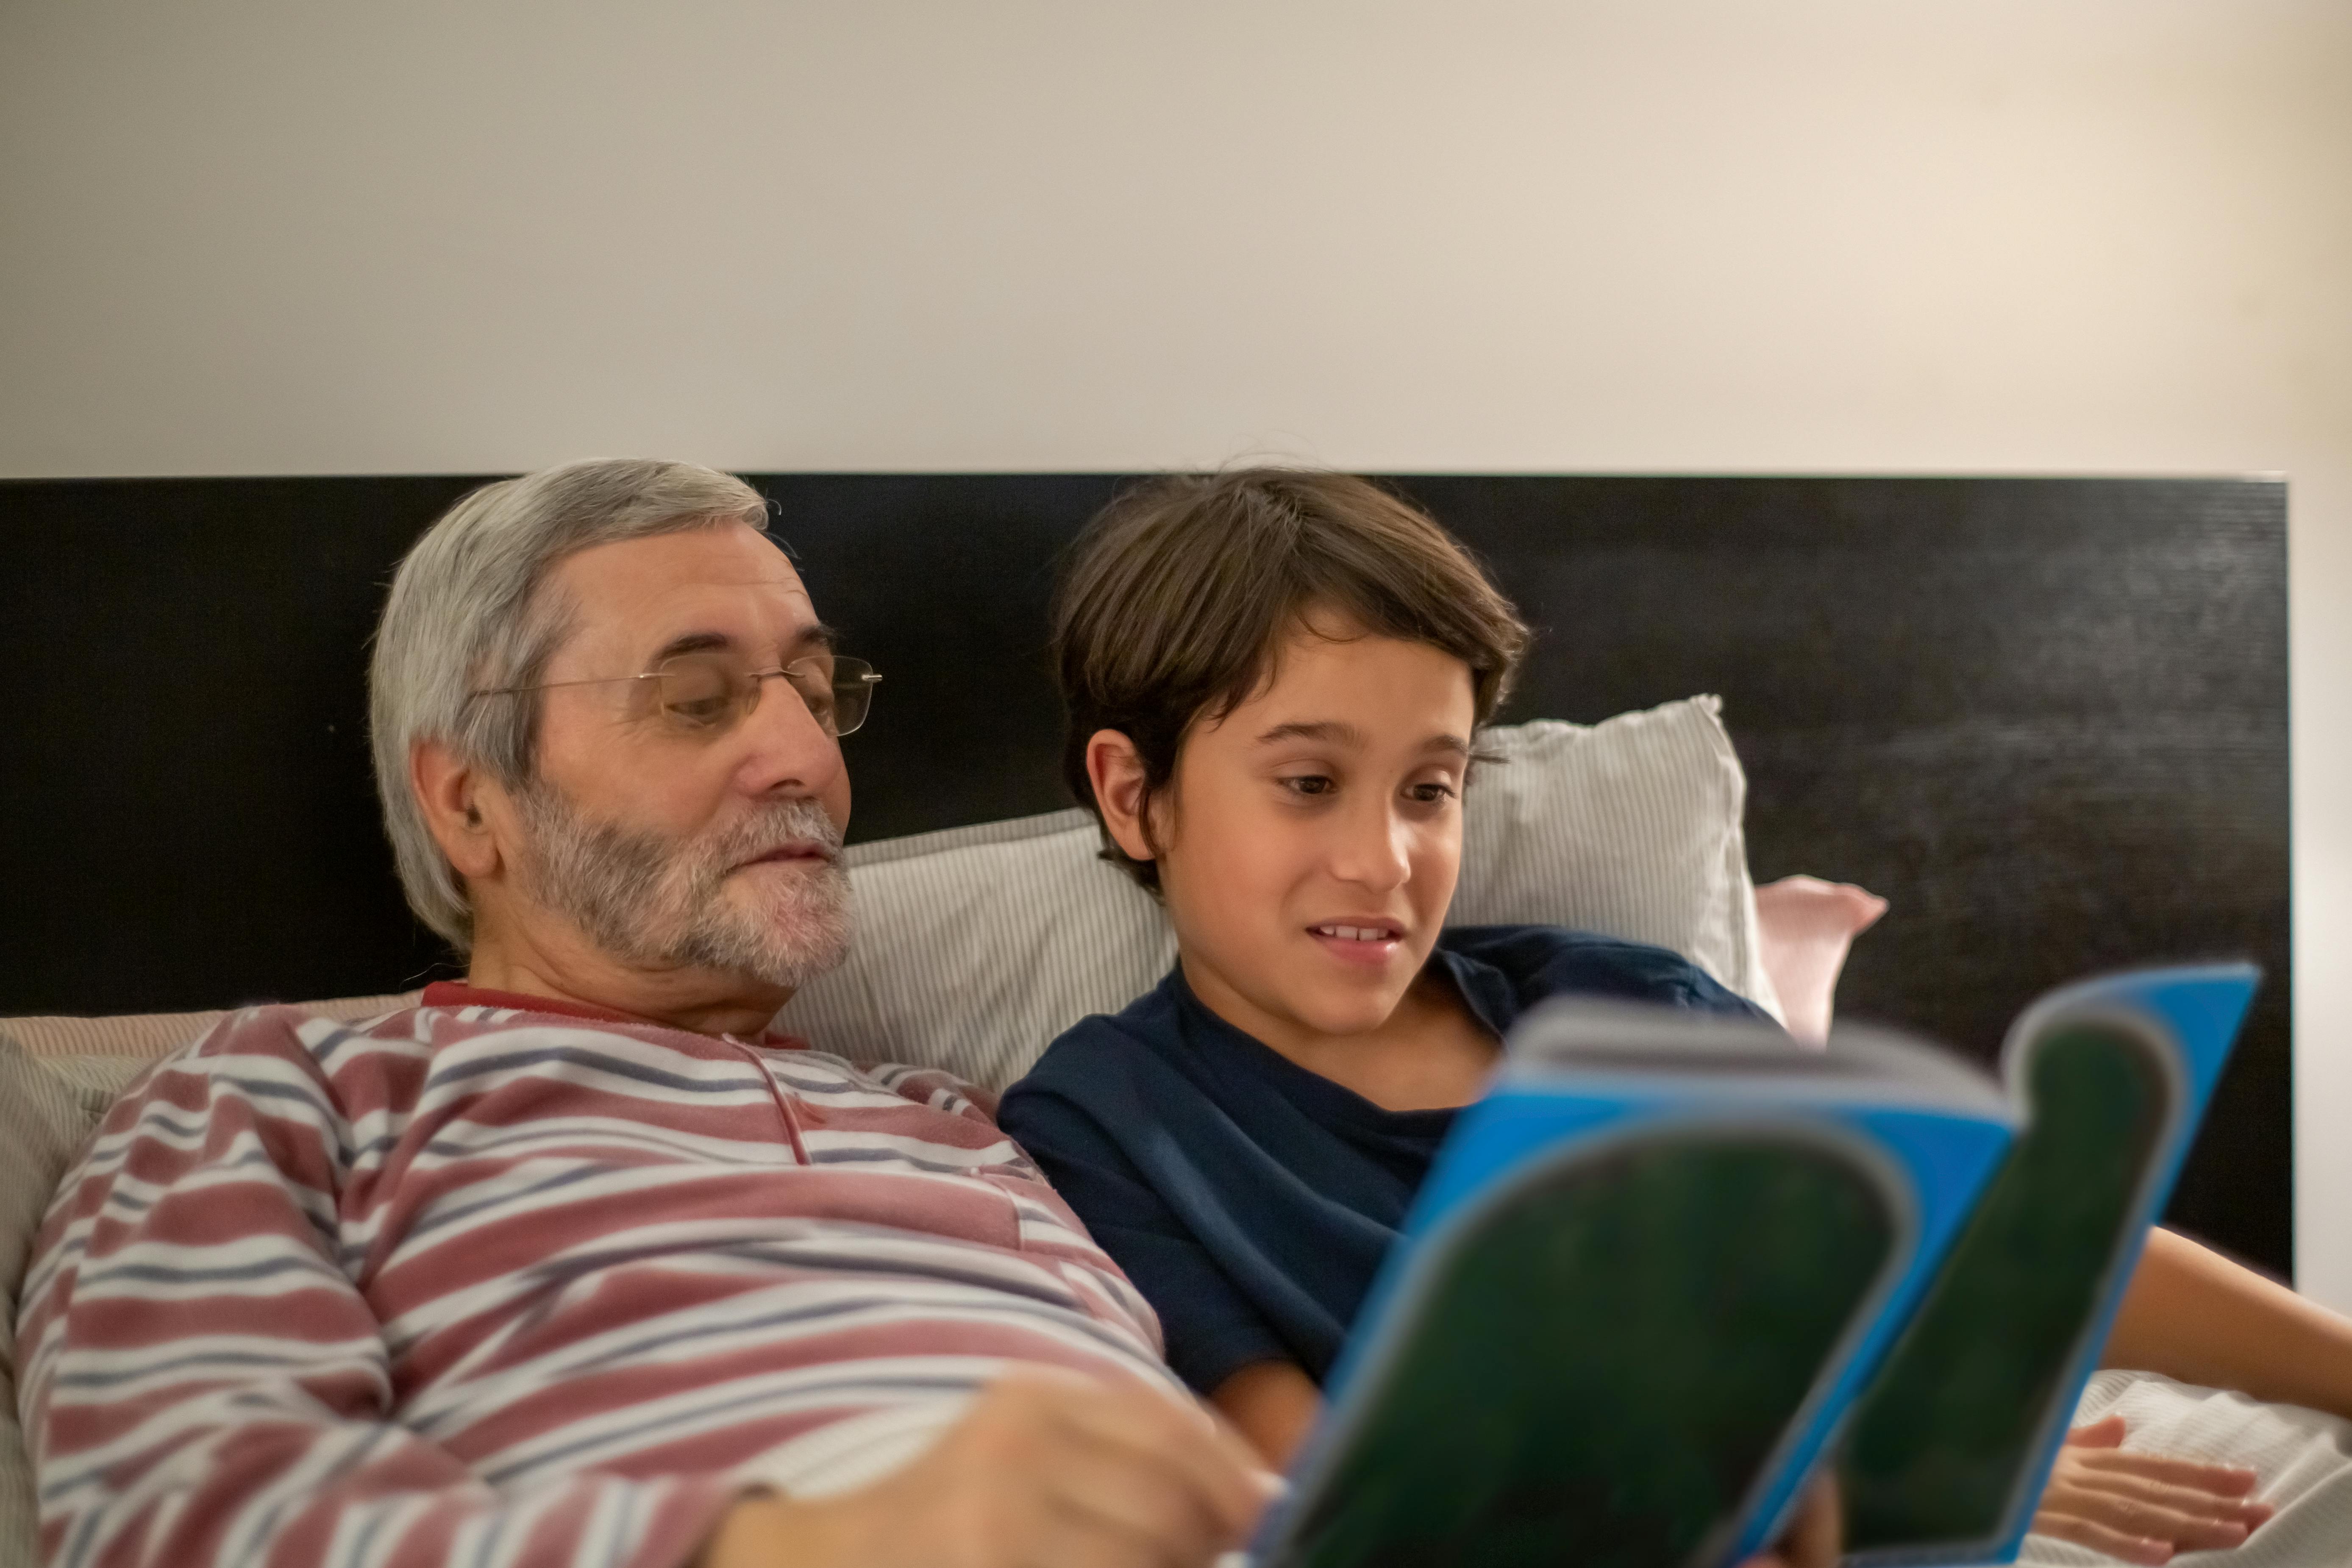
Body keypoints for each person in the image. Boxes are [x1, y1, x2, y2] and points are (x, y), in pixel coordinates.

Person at [998, 467, 2352, 1567]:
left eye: (1430, 788)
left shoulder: (1617, 1001)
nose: (1385, 859)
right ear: (1133, 795)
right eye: (1308, 783)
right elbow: (1313, 1481)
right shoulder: (1110, 1117)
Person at [15, 460, 1275, 1568]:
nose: (808, 759)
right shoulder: (271, 1093)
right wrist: (792, 1545)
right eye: (697, 697)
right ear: (469, 803)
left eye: (816, 691)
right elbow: (190, 1516)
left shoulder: (955, 1115)